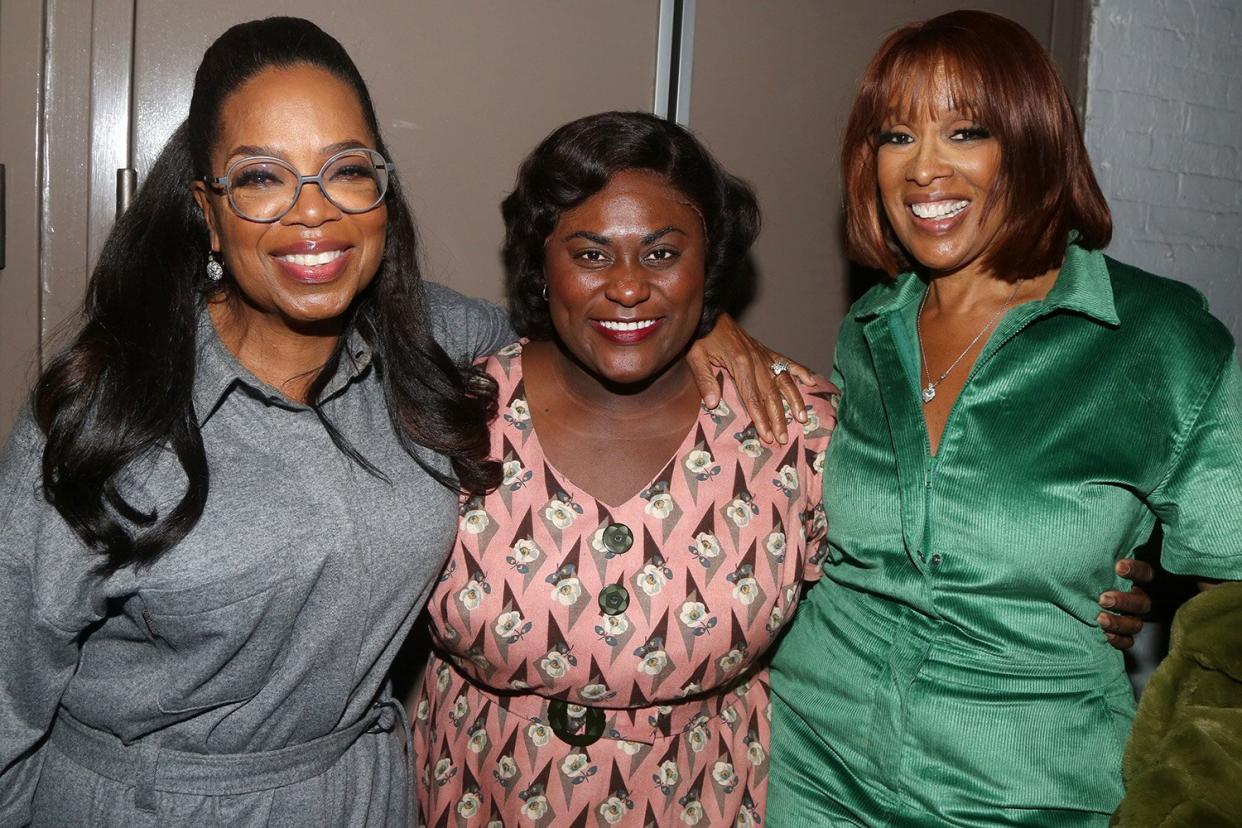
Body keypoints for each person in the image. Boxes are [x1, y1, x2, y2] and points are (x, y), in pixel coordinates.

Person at [0, 19, 804, 828]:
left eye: (345, 170)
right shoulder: (103, 417)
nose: (311, 213)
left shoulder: (428, 347)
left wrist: (704, 320)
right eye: (260, 178)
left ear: (382, 192)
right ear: (207, 213)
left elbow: (587, 314)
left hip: (365, 798)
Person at [766, 10, 1242, 826]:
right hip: (813, 769)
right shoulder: (870, 329)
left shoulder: (1159, 341)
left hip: (1033, 791)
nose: (925, 170)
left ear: (1029, 144)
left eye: (966, 131)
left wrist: (1187, 800)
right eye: (896, 137)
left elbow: (1230, 604)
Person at [412, 111, 839, 827]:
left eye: (664, 255)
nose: (630, 288)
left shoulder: (797, 432)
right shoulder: (448, 422)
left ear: (711, 265)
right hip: (474, 801)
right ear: (542, 267)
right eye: (591, 255)